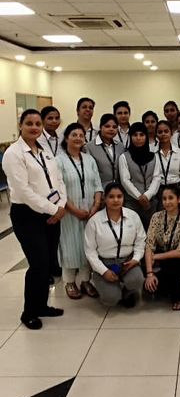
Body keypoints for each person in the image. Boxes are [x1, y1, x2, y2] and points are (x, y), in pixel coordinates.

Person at [3, 109, 66, 329]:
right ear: (20, 125)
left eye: (38, 124)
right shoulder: (13, 154)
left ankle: (41, 305)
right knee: (38, 264)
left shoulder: (43, 150)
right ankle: (29, 312)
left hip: (51, 213)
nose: (34, 127)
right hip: (27, 215)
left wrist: (61, 205)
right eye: (29, 123)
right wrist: (53, 209)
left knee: (48, 263)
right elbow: (23, 191)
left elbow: (58, 180)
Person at [56, 123, 103, 299]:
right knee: (69, 245)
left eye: (81, 135)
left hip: (90, 212)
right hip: (69, 212)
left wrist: (95, 206)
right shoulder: (58, 161)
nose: (78, 138)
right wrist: (74, 210)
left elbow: (98, 184)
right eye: (74, 135)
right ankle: (69, 281)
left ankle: (85, 280)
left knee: (88, 245)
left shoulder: (89, 159)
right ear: (66, 138)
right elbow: (58, 189)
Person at [84, 182, 146, 308]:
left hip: (127, 262)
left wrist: (135, 259)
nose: (116, 200)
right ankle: (104, 283)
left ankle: (128, 292)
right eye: (111, 197)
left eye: (119, 196)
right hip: (105, 263)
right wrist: (104, 271)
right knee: (111, 299)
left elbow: (141, 241)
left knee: (137, 280)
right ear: (105, 199)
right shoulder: (94, 221)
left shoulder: (133, 216)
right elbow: (90, 252)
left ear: (123, 198)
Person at [144, 185, 180, 310]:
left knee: (172, 266)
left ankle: (179, 297)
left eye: (171, 198)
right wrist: (150, 274)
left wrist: (156, 256)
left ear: (179, 199)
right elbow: (149, 245)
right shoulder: (156, 217)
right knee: (148, 288)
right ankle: (169, 284)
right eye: (164, 199)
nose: (167, 202)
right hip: (163, 261)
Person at [118, 122, 160, 230]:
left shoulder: (154, 156)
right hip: (131, 204)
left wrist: (147, 196)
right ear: (130, 137)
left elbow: (156, 178)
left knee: (151, 233)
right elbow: (125, 180)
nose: (138, 138)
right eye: (135, 135)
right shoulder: (124, 157)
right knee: (132, 232)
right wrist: (139, 197)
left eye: (141, 135)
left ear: (146, 136)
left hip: (150, 203)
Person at [153, 120, 180, 210]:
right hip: (159, 191)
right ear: (156, 134)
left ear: (171, 133)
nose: (163, 134)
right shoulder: (152, 153)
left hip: (176, 189)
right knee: (161, 216)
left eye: (166, 131)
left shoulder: (179, 152)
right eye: (160, 132)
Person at [85, 113, 125, 188]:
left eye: (114, 127)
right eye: (107, 126)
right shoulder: (89, 147)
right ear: (100, 127)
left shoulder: (120, 146)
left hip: (119, 190)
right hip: (100, 189)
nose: (111, 129)